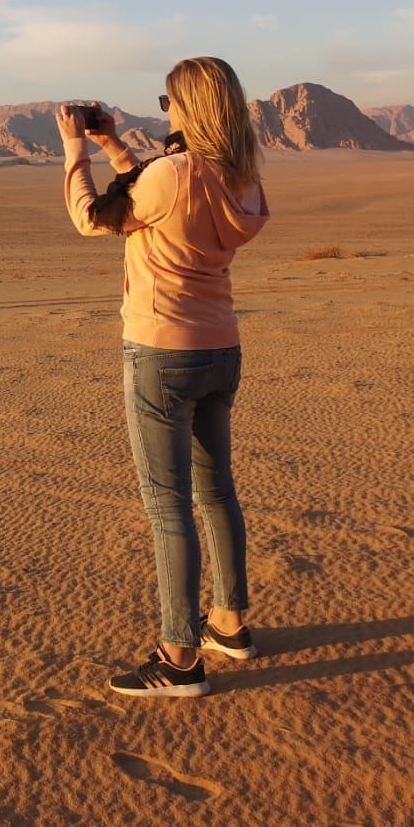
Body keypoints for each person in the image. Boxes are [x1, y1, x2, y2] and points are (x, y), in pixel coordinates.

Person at [57, 57, 270, 698]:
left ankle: (178, 658)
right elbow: (159, 198)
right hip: (220, 348)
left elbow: (94, 217)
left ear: (190, 107)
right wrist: (116, 146)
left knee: (168, 507)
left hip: (160, 352)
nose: (165, 111)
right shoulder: (244, 179)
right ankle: (229, 624)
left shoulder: (174, 175)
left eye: (169, 100)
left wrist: (75, 151)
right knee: (216, 491)